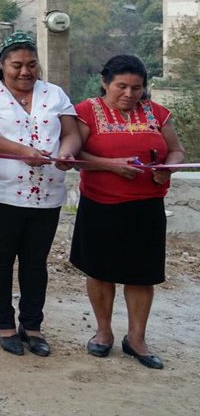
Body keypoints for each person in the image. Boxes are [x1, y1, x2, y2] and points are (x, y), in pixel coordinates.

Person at [0, 31, 81, 357]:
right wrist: (22, 151)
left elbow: (71, 134)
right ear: (2, 64)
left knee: (35, 263)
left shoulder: (55, 93)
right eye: (17, 65)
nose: (25, 72)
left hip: (48, 194)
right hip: (1, 194)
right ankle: (3, 321)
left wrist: (67, 154)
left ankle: (32, 324)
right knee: (1, 260)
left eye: (31, 64)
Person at [71, 54, 184, 369]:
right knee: (100, 270)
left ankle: (136, 338)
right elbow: (74, 153)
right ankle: (103, 332)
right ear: (105, 82)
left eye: (137, 87)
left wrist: (168, 168)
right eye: (121, 86)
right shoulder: (86, 111)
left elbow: (176, 150)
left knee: (141, 274)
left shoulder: (156, 113)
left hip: (147, 206)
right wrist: (110, 166)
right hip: (101, 203)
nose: (129, 94)